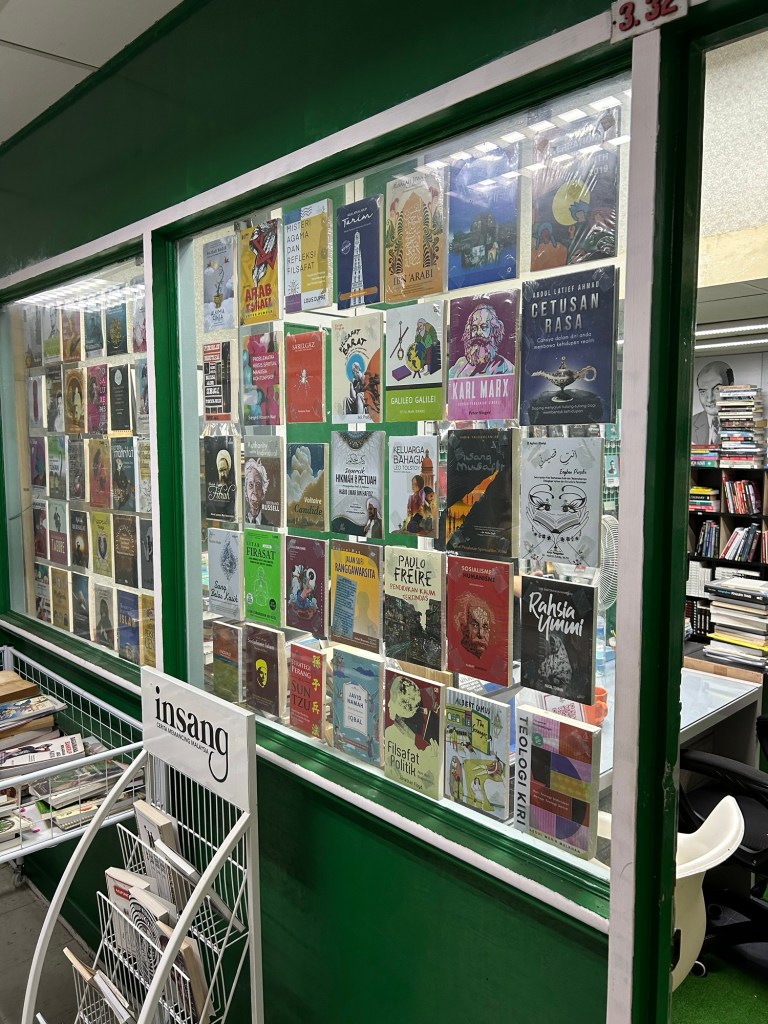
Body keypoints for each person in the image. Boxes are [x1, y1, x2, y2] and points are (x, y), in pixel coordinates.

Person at [691, 360, 733, 444]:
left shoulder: (745, 422)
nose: (710, 399)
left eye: (717, 389)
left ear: (731, 387)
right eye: (703, 391)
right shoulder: (690, 423)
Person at [243, 457, 271, 525]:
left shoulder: (269, 525)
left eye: (258, 485)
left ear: (263, 493)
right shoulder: (242, 519)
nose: (254, 491)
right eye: (251, 485)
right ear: (246, 492)